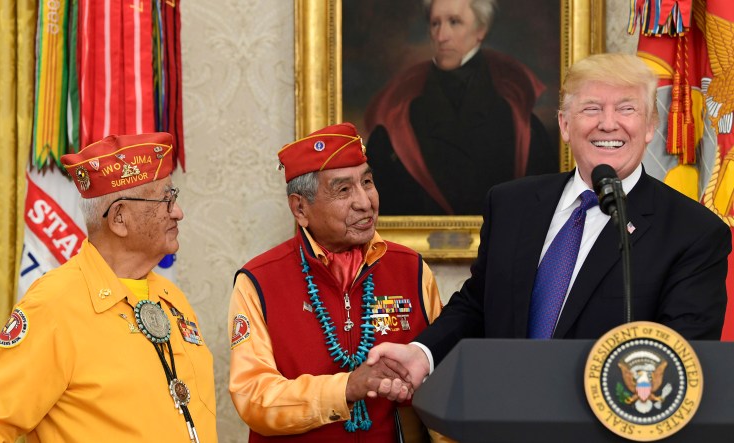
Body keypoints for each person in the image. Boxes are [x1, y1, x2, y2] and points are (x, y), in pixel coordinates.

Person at [366, 53, 731, 390]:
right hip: (502, 419)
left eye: (626, 109)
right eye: (591, 108)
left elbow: (681, 361)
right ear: (564, 124)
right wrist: (423, 353)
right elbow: (480, 304)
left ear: (650, 126)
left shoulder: (693, 233)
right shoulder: (511, 203)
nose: (608, 123)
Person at [0, 133, 216, 442]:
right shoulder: (55, 305)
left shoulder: (172, 298)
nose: (177, 212)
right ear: (120, 218)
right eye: (165, 200)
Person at [228, 122, 451, 442]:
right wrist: (345, 388)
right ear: (300, 208)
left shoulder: (410, 269)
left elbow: (443, 379)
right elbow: (253, 396)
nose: (365, 201)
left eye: (368, 182)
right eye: (343, 190)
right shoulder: (260, 281)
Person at [364, 0, 557, 216]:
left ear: (481, 30)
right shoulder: (399, 118)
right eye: (435, 23)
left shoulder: (517, 120)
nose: (441, 35)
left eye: (454, 22)